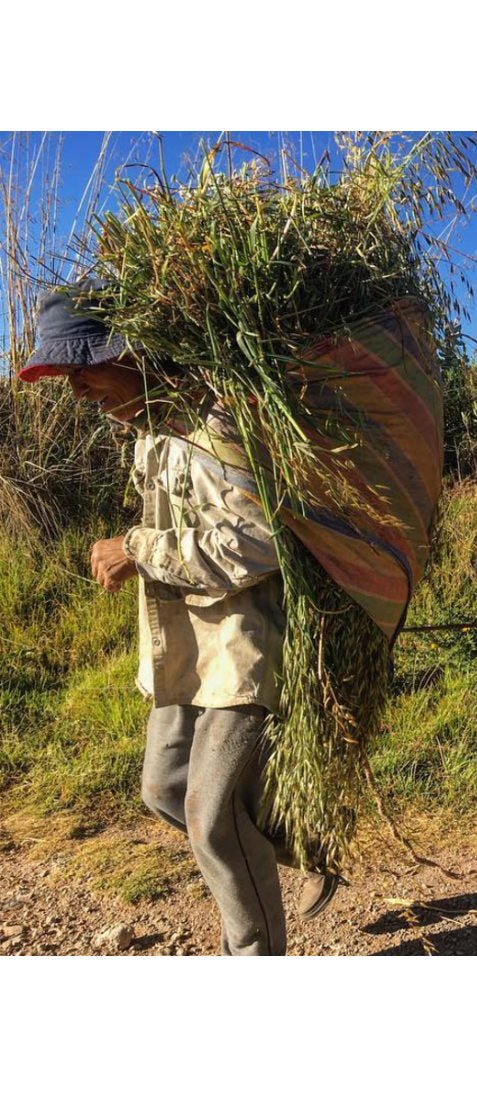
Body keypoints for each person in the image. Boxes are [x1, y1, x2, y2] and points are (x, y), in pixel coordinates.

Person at [19, 280, 338, 956]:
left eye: (82, 369)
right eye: (64, 374)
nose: (74, 389)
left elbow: (260, 545)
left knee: (212, 816)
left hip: (247, 640)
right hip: (186, 645)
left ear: (128, 353)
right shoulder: (148, 433)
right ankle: (307, 845)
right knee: (165, 789)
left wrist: (137, 548)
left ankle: (253, 958)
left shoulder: (215, 424)